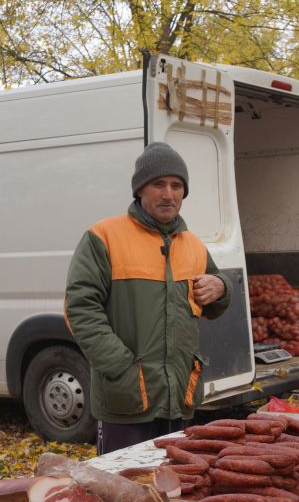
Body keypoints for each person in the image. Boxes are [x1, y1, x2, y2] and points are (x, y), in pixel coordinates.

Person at [65, 142, 232, 454]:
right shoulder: (104, 237)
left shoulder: (193, 245)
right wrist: (124, 370)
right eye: (158, 184)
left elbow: (216, 302)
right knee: (123, 490)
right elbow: (79, 310)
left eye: (176, 185)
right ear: (140, 189)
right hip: (126, 401)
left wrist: (222, 286)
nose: (168, 194)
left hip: (179, 399)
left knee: (172, 491)